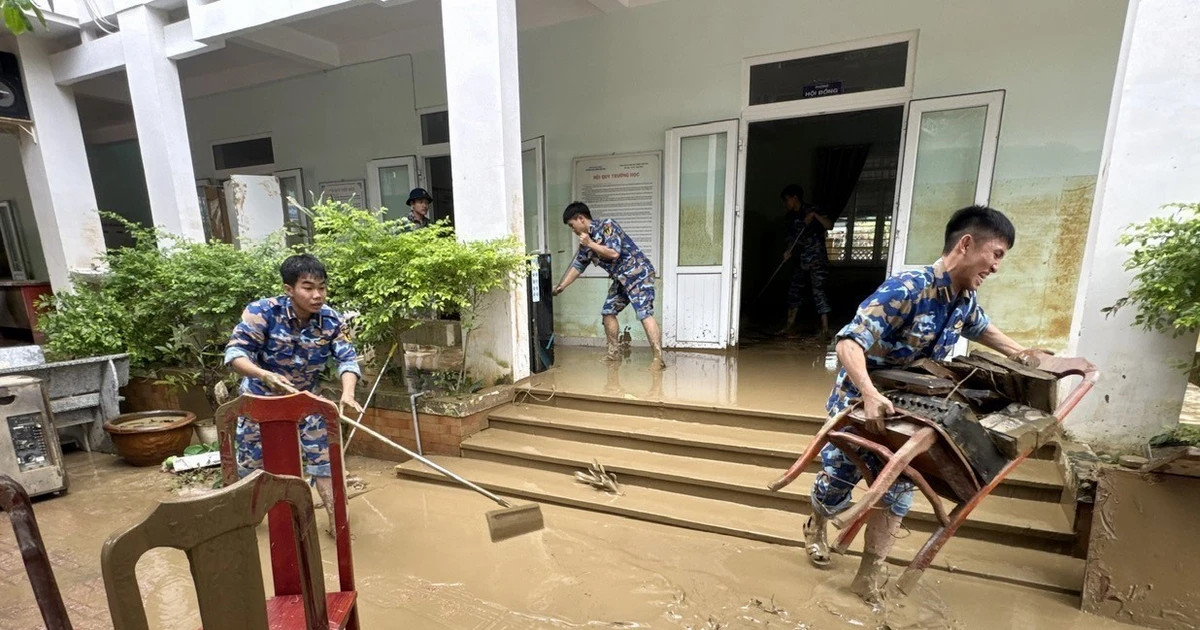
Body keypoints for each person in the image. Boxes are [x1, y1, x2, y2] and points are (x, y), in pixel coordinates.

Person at [804, 205, 1048, 601]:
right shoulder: (907, 288)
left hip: (912, 408)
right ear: (967, 244)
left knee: (900, 486)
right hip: (859, 401)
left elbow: (983, 329)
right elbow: (849, 342)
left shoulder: (963, 299)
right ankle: (816, 525)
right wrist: (869, 393)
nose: (997, 267)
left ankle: (868, 576)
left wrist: (1021, 354)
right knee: (837, 481)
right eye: (997, 254)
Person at [225, 253, 363, 532]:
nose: (317, 295)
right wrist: (264, 375)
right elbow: (235, 353)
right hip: (260, 399)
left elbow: (347, 359)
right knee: (252, 466)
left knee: (326, 460)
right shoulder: (262, 312)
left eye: (322, 287)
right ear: (289, 290)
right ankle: (247, 526)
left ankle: (339, 527)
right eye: (308, 288)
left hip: (306, 400)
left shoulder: (332, 320)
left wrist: (347, 394)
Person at [552, 202, 665, 370]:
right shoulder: (586, 244)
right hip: (621, 279)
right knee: (608, 312)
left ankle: (658, 359)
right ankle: (614, 354)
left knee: (643, 313)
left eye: (571, 225)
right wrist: (562, 286)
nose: (573, 229)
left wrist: (590, 243)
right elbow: (578, 267)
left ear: (580, 218)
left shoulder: (607, 226)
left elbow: (614, 253)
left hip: (638, 274)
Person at [777, 184, 833, 338]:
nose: (785, 204)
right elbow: (791, 239)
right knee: (794, 292)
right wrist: (788, 251)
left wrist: (815, 215)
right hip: (800, 260)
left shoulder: (812, 209)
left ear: (795, 198)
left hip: (816, 259)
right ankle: (788, 326)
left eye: (787, 200)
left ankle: (825, 329)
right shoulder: (789, 217)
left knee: (818, 291)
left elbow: (830, 225)